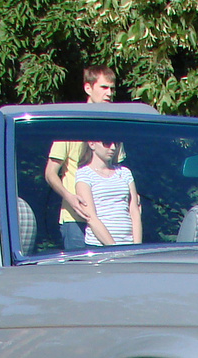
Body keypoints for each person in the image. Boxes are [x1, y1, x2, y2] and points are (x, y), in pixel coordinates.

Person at [44, 66, 117, 252]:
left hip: (108, 218)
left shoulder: (115, 126)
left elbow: (117, 169)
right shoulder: (71, 126)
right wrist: (69, 197)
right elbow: (50, 173)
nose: (109, 93)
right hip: (76, 219)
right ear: (88, 88)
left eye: (112, 89)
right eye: (104, 88)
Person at [76, 140, 141, 247]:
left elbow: (134, 211)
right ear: (92, 144)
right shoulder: (84, 174)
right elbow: (91, 217)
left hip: (128, 246)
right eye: (107, 143)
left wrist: (137, 246)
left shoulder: (124, 173)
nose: (113, 148)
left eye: (115, 144)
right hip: (99, 246)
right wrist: (113, 247)